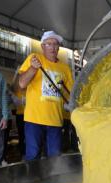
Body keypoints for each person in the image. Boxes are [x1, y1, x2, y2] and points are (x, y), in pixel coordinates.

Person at [18, 31, 74, 160]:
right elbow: (22, 83)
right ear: (43, 46)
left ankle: (53, 180)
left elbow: (71, 94)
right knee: (33, 156)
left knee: (55, 158)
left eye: (55, 44)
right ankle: (33, 180)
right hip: (34, 119)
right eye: (49, 44)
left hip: (55, 120)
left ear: (59, 47)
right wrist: (33, 68)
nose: (53, 47)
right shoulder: (35, 58)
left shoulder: (65, 68)